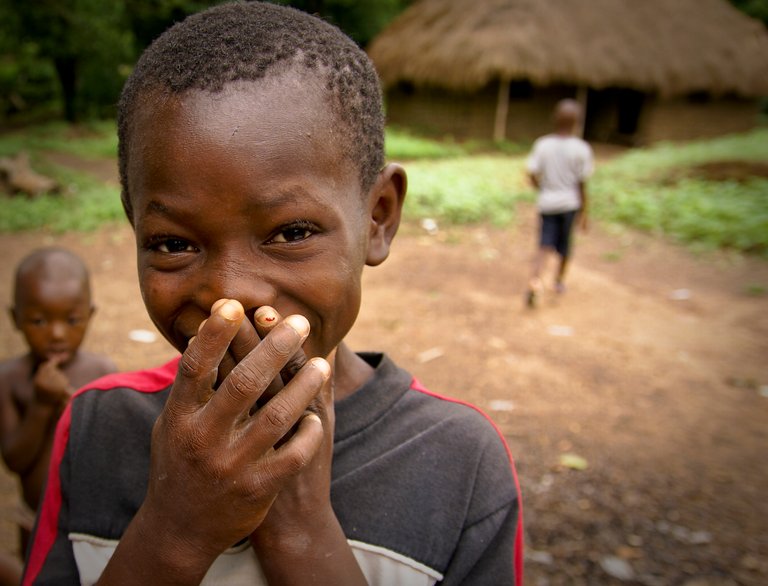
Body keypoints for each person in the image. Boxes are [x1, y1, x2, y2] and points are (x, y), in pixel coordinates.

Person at [23, 3, 523, 585]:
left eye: (291, 233)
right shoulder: (96, 427)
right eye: (173, 243)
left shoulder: (457, 463)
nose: (230, 297)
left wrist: (300, 529)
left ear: (378, 217)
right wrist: (175, 532)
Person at [1, 247, 117, 576]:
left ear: (90, 315)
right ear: (15, 318)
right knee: (35, 575)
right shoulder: (9, 379)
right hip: (34, 516)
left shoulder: (102, 371)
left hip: (91, 515)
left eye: (71, 320)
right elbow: (14, 459)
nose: (56, 333)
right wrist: (40, 406)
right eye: (38, 320)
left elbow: (112, 448)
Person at [525, 98, 594, 308]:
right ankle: (558, 281)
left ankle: (535, 280)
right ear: (577, 122)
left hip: (547, 202)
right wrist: (584, 212)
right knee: (565, 245)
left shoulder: (543, 144)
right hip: (569, 205)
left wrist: (543, 189)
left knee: (544, 245)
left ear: (555, 118)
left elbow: (532, 173)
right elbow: (582, 184)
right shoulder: (581, 149)